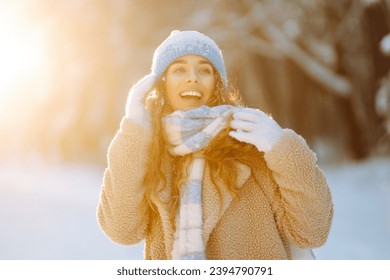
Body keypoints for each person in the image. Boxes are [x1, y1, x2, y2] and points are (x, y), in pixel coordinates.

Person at [97, 30, 333, 260]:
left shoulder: (251, 143)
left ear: (217, 82)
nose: (193, 77)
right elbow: (122, 231)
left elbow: (312, 231)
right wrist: (134, 127)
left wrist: (281, 147)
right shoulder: (148, 152)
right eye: (179, 69)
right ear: (161, 84)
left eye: (204, 70)